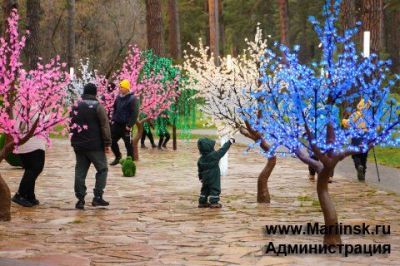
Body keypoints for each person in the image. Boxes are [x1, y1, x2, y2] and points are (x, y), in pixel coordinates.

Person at [70, 83, 112, 210]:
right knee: (102, 169)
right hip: (95, 145)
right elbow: (104, 125)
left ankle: (80, 199)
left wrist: (74, 141)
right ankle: (97, 197)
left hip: (79, 145)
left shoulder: (75, 106)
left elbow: (70, 124)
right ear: (95, 93)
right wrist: (107, 143)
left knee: (80, 172)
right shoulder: (98, 106)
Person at [197, 137, 235, 208]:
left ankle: (202, 201)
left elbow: (200, 170)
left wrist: (201, 177)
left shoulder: (200, 159)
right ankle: (214, 202)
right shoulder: (214, 156)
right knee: (215, 188)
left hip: (205, 177)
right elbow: (223, 150)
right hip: (214, 176)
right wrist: (229, 142)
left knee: (205, 188)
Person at [110, 79, 139, 165]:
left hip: (126, 125)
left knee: (128, 144)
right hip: (117, 124)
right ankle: (118, 156)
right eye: (120, 87)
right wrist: (113, 118)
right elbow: (114, 108)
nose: (120, 89)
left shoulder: (132, 99)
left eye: (122, 87)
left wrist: (129, 125)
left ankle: (130, 161)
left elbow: (135, 113)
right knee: (111, 140)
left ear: (127, 88)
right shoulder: (118, 98)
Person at [11, 135, 46, 207]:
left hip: (24, 140)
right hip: (33, 142)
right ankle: (20, 194)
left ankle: (29, 195)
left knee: (30, 168)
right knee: (36, 168)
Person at [342, 99, 371, 182]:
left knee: (355, 154)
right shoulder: (368, 116)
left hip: (356, 136)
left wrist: (344, 121)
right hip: (366, 136)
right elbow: (376, 127)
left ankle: (358, 166)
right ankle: (363, 173)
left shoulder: (355, 114)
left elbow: (348, 123)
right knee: (364, 154)